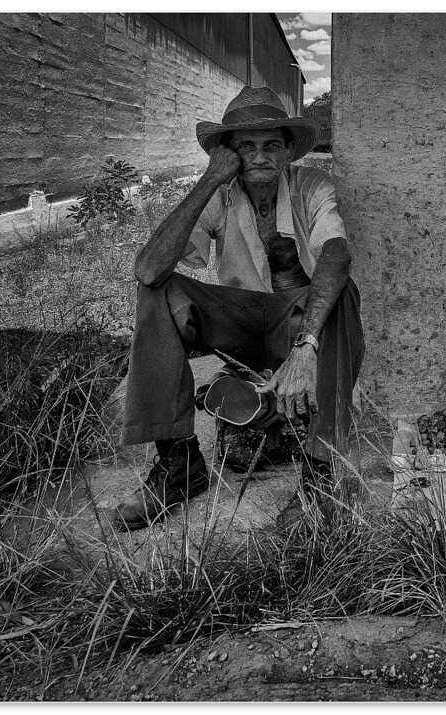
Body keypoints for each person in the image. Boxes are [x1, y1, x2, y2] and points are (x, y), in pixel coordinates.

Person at [114, 85, 364, 530]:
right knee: (157, 290)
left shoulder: (312, 186)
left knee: (341, 291)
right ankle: (178, 465)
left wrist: (306, 347)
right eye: (246, 147)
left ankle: (321, 480)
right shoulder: (220, 191)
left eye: (271, 145)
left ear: (289, 151)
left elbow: (336, 253)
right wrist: (210, 178)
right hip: (243, 323)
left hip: (299, 324)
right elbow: (149, 269)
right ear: (228, 155)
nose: (261, 156)